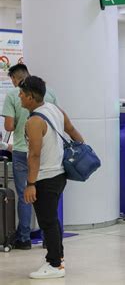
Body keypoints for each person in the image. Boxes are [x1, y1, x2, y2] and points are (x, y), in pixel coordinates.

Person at [20, 76, 84, 279]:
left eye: (22, 93)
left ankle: (55, 265)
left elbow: (35, 154)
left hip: (45, 178)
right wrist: (82, 150)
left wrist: (30, 184)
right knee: (52, 219)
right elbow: (72, 131)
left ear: (30, 97)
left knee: (47, 221)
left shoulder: (34, 121)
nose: (19, 96)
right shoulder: (56, 110)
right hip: (59, 174)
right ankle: (57, 258)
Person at [2, 64, 57, 250]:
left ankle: (24, 238)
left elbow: (8, 126)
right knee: (47, 196)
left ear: (17, 78)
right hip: (45, 150)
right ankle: (48, 238)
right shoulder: (49, 93)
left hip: (21, 150)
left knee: (25, 194)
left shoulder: (12, 96)